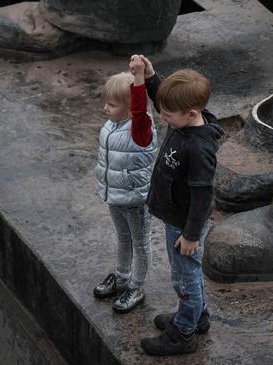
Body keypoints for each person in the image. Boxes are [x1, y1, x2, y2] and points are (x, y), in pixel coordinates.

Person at [136, 56, 224, 356]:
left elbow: (202, 197)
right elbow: (165, 97)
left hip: (185, 224)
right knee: (188, 275)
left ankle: (183, 334)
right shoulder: (183, 122)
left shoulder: (198, 148)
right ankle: (197, 317)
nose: (162, 118)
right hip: (175, 216)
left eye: (167, 115)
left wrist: (189, 235)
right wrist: (150, 77)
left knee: (184, 278)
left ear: (191, 113)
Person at [92, 56, 157, 313]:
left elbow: (141, 107)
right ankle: (120, 276)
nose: (105, 108)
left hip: (135, 197)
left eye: (111, 104)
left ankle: (136, 285)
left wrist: (140, 78)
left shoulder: (140, 128)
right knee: (123, 237)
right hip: (115, 195)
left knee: (140, 243)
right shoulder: (113, 124)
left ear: (131, 108)